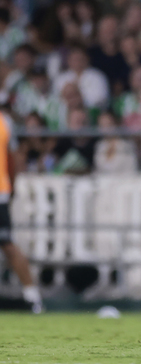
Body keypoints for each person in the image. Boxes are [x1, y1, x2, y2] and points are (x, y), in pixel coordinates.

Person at [0, 110, 44, 313]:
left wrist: (11, 185)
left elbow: (12, 156)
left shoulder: (4, 121)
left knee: (8, 244)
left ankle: (32, 297)